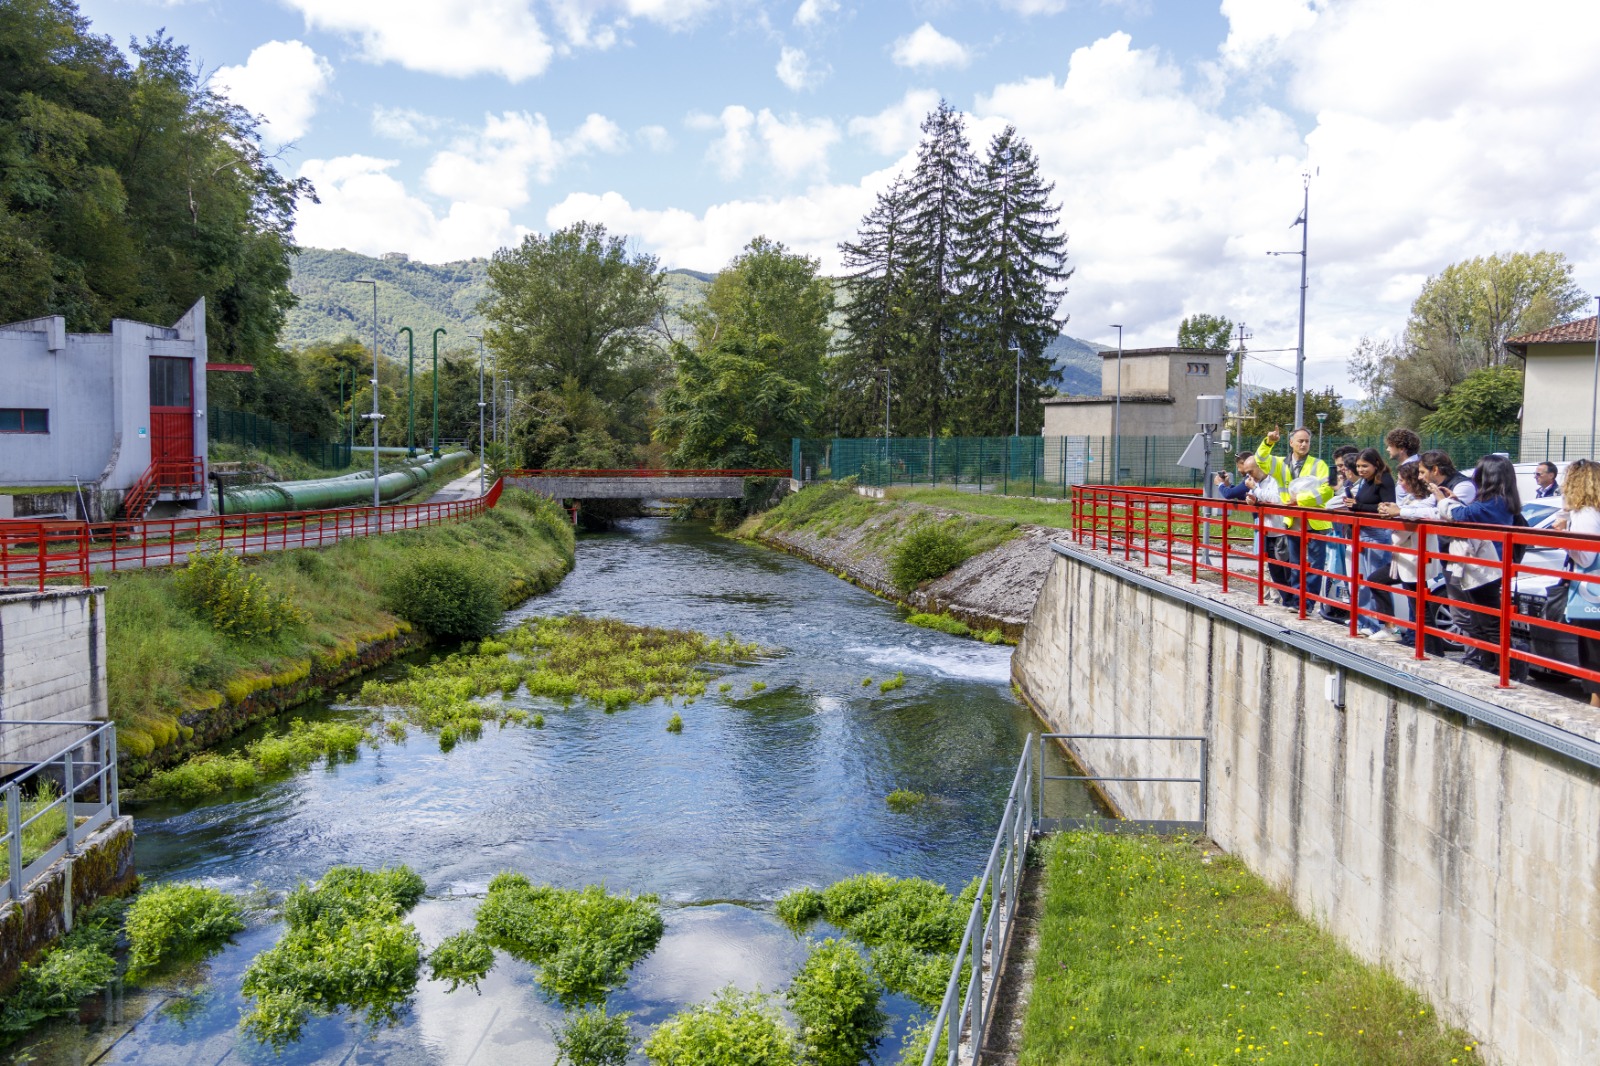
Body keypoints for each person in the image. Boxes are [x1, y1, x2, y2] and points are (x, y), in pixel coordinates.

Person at [1435, 455, 1521, 673]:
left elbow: (1460, 515)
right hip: (1485, 567)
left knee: (1489, 622)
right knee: (1481, 620)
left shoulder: (1496, 502)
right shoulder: (1501, 500)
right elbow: (1468, 513)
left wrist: (1442, 500)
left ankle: (1503, 670)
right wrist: (1454, 500)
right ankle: (1491, 665)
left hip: (1486, 568)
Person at [1255, 426, 1333, 612]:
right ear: (1291, 443)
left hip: (1315, 521)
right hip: (1292, 521)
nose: (1304, 444)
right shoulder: (1280, 464)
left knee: (1315, 565)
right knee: (1295, 565)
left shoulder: (1319, 465)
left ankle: (1308, 604)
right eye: (1300, 441)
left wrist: (1300, 499)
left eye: (1307, 441)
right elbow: (1260, 459)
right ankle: (1297, 601)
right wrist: (1269, 442)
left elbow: (1328, 491)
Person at [1215, 452, 1293, 605]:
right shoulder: (1254, 482)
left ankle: (1292, 602)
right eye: (1247, 472)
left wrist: (1254, 491)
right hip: (1267, 532)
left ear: (1260, 467)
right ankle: (1287, 601)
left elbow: (1277, 499)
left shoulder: (1274, 480)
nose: (1248, 476)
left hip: (1281, 531)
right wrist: (1253, 499)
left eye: (1250, 471)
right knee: (1275, 571)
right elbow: (1247, 495)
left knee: (1286, 570)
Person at [1558, 459, 1600, 706]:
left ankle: (1594, 715)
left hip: (1591, 596)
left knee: (1593, 658)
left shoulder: (1586, 513)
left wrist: (1562, 537)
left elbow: (1585, 556)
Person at [1348, 448, 1397, 637]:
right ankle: (1366, 622)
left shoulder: (1384, 479)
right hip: (1363, 532)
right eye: (1358, 466)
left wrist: (1358, 506)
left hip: (1377, 534)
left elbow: (1387, 506)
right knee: (1363, 581)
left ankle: (1385, 625)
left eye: (1365, 466)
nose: (1360, 470)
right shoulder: (1365, 481)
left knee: (1376, 580)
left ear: (1376, 464)